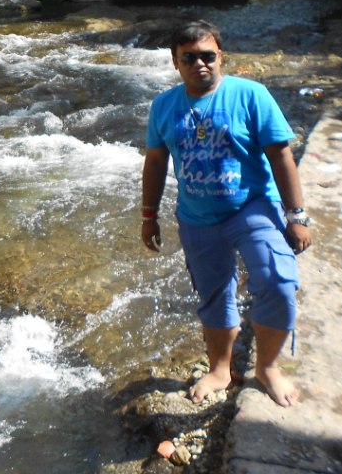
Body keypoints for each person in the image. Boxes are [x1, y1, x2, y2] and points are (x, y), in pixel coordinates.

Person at [140, 20, 313, 407]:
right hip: (197, 217)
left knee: (278, 280)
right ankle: (221, 369)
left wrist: (296, 215)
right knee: (215, 293)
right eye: (189, 58)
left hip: (251, 207)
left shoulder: (251, 95)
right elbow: (154, 162)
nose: (200, 64)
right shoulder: (165, 105)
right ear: (175, 62)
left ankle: (267, 367)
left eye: (208, 56)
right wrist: (148, 215)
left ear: (221, 56)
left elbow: (281, 156)